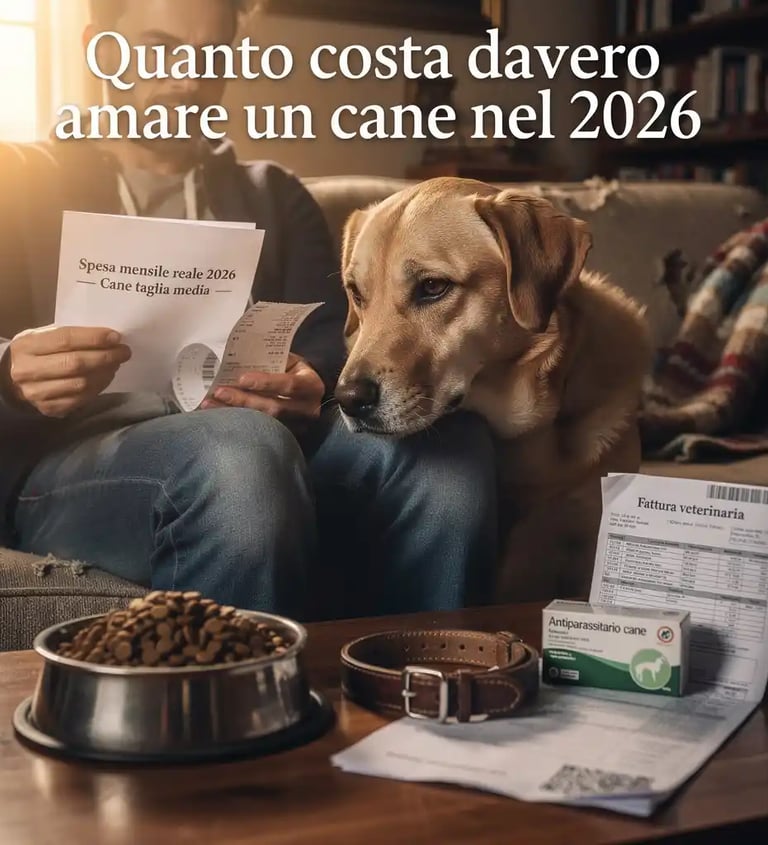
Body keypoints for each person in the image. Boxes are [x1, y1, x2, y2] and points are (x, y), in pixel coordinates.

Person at [0, 0, 498, 619]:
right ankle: (235, 706)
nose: (188, 79)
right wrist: (9, 372)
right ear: (100, 45)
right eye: (161, 46)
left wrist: (310, 383)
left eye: (212, 56)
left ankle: (431, 693)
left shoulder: (275, 195)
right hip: (78, 466)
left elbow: (337, 342)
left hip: (278, 448)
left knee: (450, 453)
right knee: (240, 452)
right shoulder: (15, 181)